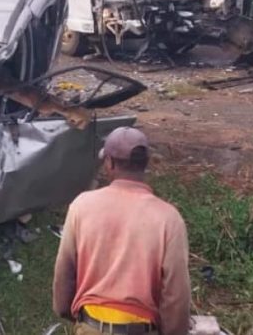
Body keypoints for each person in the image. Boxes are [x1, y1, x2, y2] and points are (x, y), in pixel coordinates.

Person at [52, 127, 190, 335]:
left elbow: (65, 268)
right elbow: (175, 291)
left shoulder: (82, 206)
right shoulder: (168, 218)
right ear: (146, 163)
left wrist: (63, 308)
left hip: (90, 326)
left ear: (109, 162)